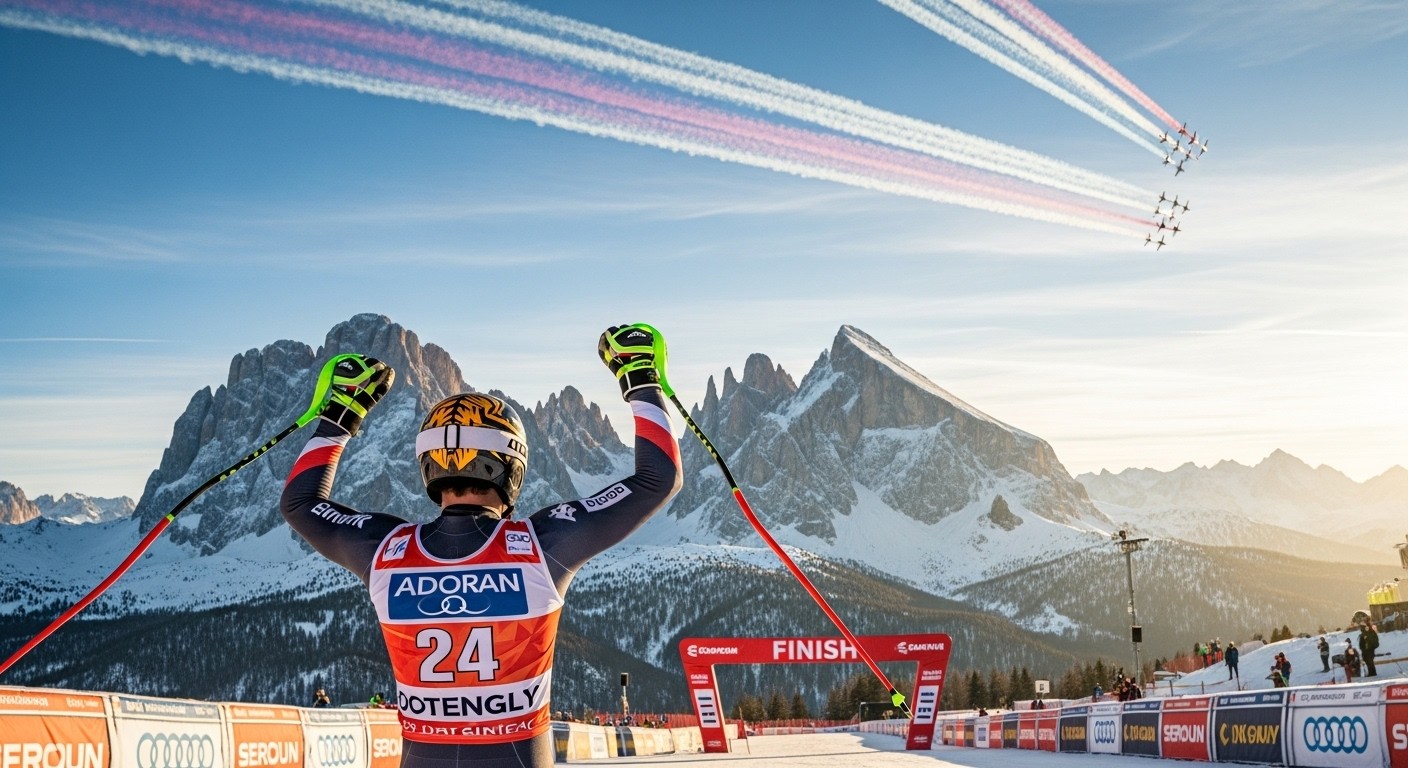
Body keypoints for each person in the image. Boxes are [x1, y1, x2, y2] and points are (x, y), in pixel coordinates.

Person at [280, 325, 683, 768]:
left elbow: (300, 504)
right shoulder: (541, 543)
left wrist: (342, 412)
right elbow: (656, 480)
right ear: (511, 468)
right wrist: (640, 378)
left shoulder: (385, 550)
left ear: (429, 466)